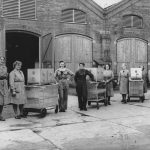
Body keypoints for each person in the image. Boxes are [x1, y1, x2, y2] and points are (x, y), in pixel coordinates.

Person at [0, 57, 10, 121]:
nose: (2, 61)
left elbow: (6, 76)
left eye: (3, 60)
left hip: (4, 83)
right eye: (1, 59)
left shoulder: (5, 67)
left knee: (2, 101)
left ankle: (0, 115)